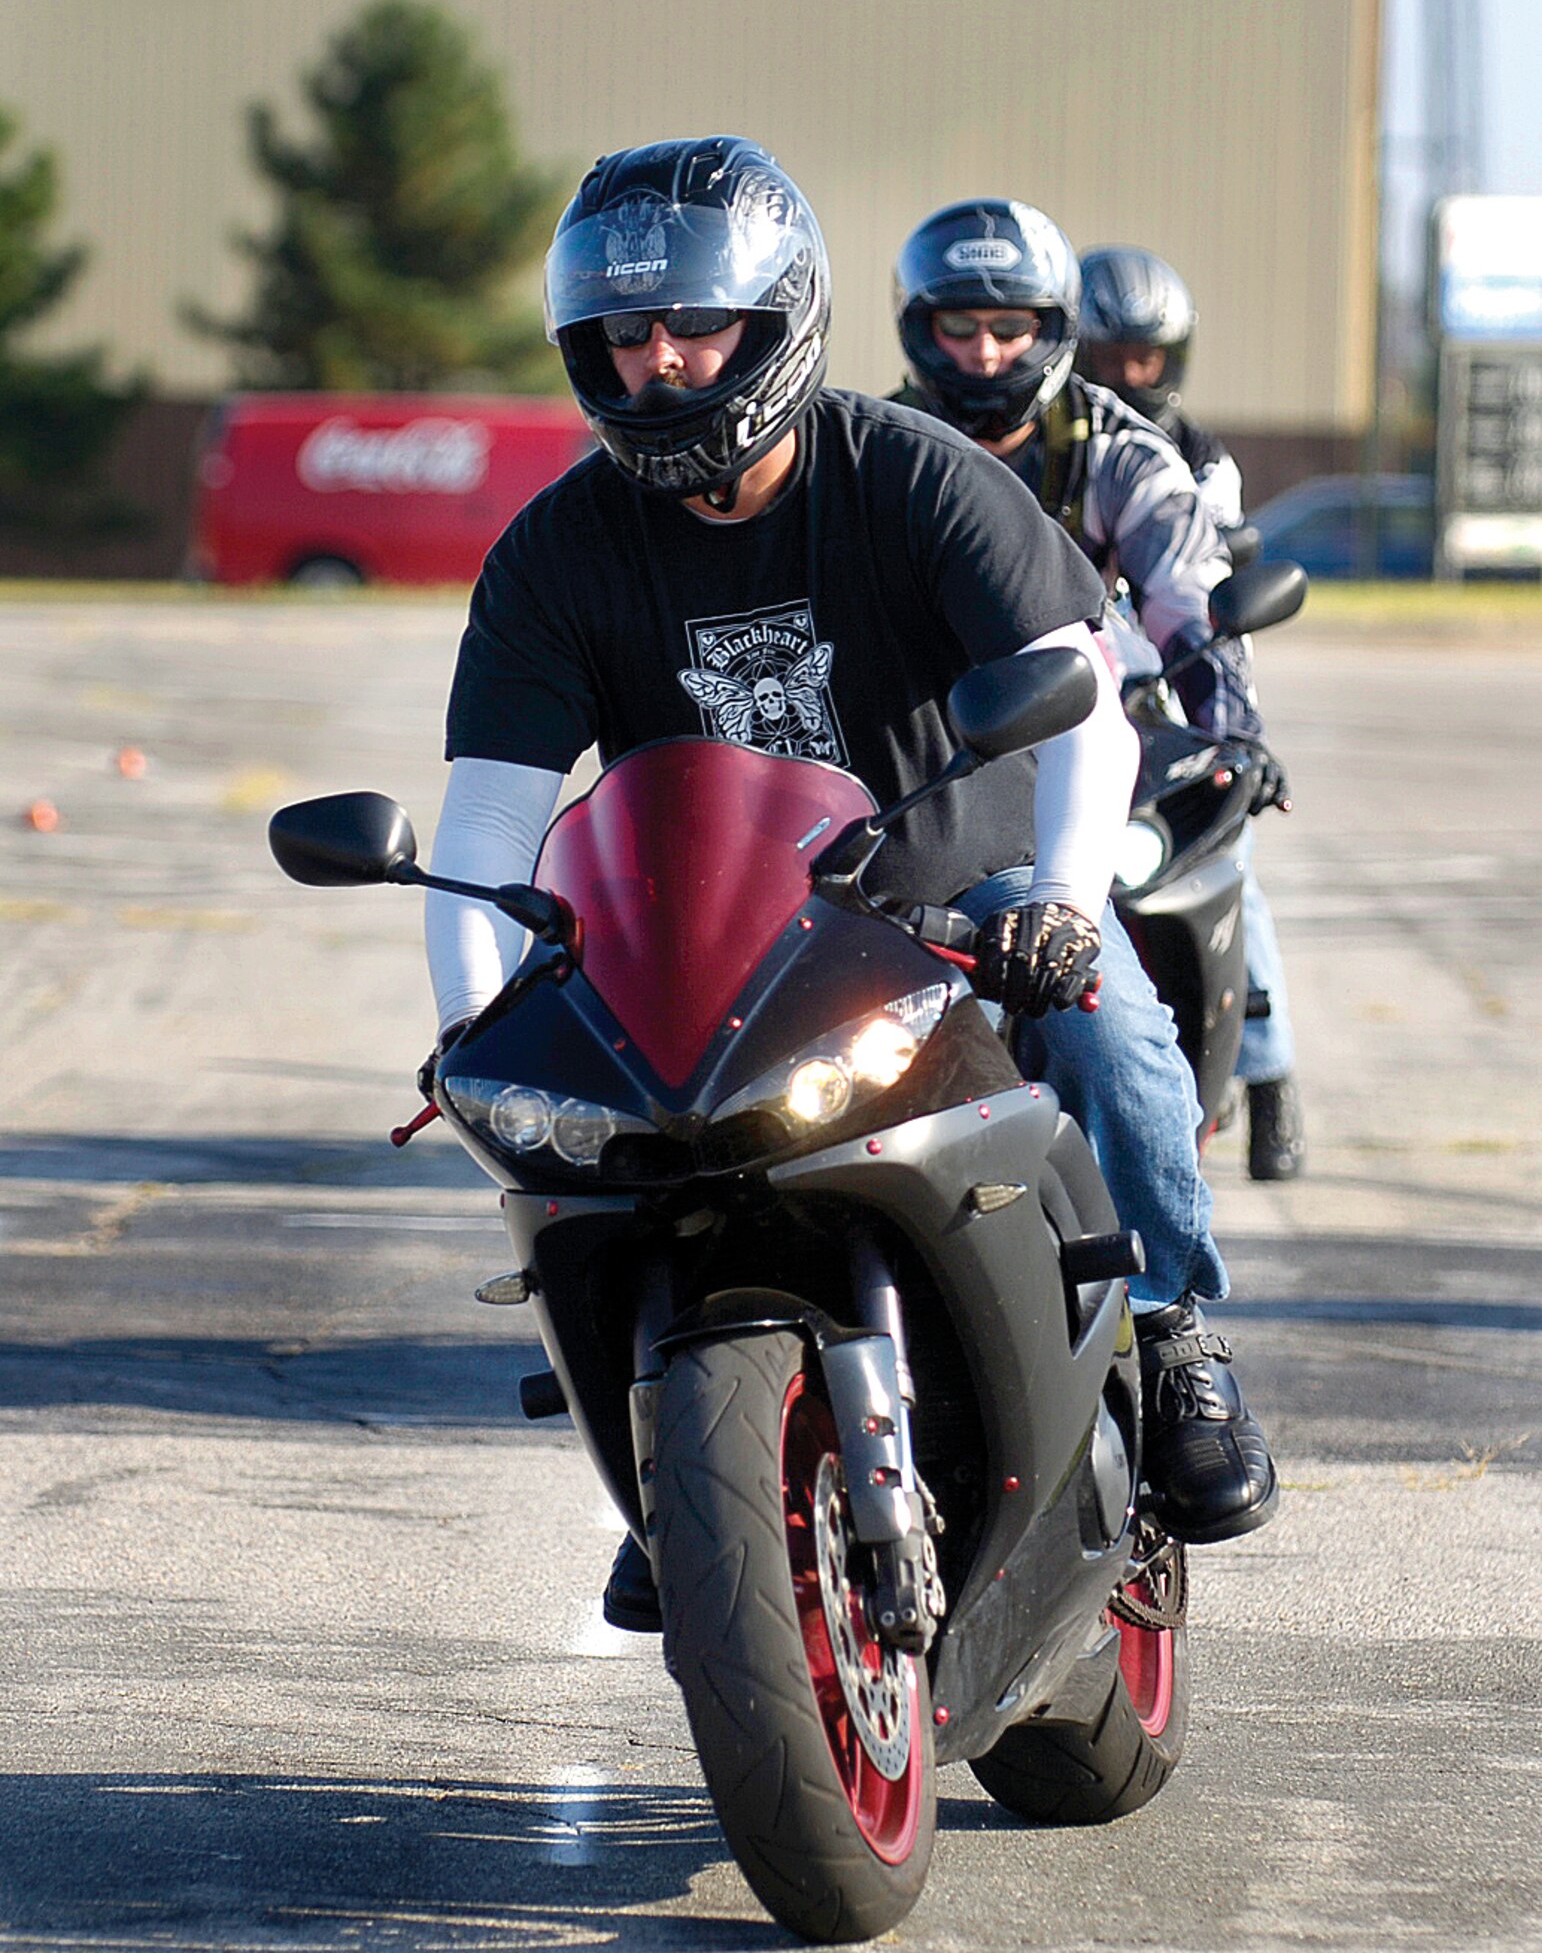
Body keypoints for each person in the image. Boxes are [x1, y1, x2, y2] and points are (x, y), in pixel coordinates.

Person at [424, 140, 1278, 1631]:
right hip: (713, 933)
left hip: (964, 885)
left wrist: (1062, 903)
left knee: (1111, 1029)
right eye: (622, 332)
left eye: (697, 324)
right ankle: (681, 1458)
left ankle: (1174, 1331)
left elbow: (1079, 699)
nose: (658, 361)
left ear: (777, 320)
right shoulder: (556, 551)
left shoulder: (912, 472)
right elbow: (488, 825)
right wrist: (468, 1031)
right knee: (594, 1164)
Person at [892, 202, 1302, 1181]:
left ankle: (1233, 1120)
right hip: (924, 760)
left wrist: (1235, 731)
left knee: (1128, 1040)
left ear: (1052, 328)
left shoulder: (1123, 452)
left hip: (1113, 735)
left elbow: (1190, 599)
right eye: (960, 326)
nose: (986, 352)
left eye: (1011, 327)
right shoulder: (874, 447)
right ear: (918, 327)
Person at [1077, 242, 1306, 1178]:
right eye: (1112, 358)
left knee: (1229, 872)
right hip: (1061, 701)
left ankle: (1268, 1078)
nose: (1131, 377)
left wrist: (1238, 735)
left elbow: (1202, 583)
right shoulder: (1055, 443)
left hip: (1171, 702)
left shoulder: (1196, 457)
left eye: (1148, 358)